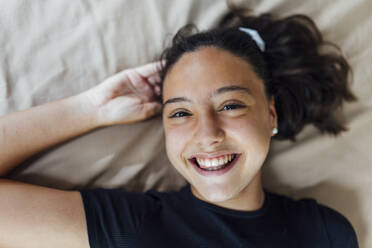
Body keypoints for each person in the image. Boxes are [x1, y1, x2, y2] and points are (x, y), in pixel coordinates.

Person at [0, 7, 359, 248]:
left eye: (230, 105)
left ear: (271, 115)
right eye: (180, 114)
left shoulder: (326, 232)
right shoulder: (131, 227)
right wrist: (89, 109)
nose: (207, 135)